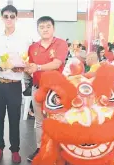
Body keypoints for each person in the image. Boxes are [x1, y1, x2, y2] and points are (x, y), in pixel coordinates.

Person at [0, 5, 31, 163]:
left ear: (16, 18)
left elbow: (26, 61)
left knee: (14, 119)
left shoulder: (23, 39)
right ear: (2, 18)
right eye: (6, 16)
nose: (9, 19)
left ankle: (15, 150)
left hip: (14, 84)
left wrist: (22, 66)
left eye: (12, 16)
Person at [25, 16, 68, 162]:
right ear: (38, 29)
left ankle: (58, 151)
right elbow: (29, 68)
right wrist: (23, 67)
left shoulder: (61, 44)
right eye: (42, 27)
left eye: (48, 26)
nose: (45, 29)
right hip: (37, 89)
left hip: (56, 91)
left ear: (53, 28)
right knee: (39, 122)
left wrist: (37, 67)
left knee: (57, 121)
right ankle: (41, 149)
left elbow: (56, 64)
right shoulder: (32, 47)